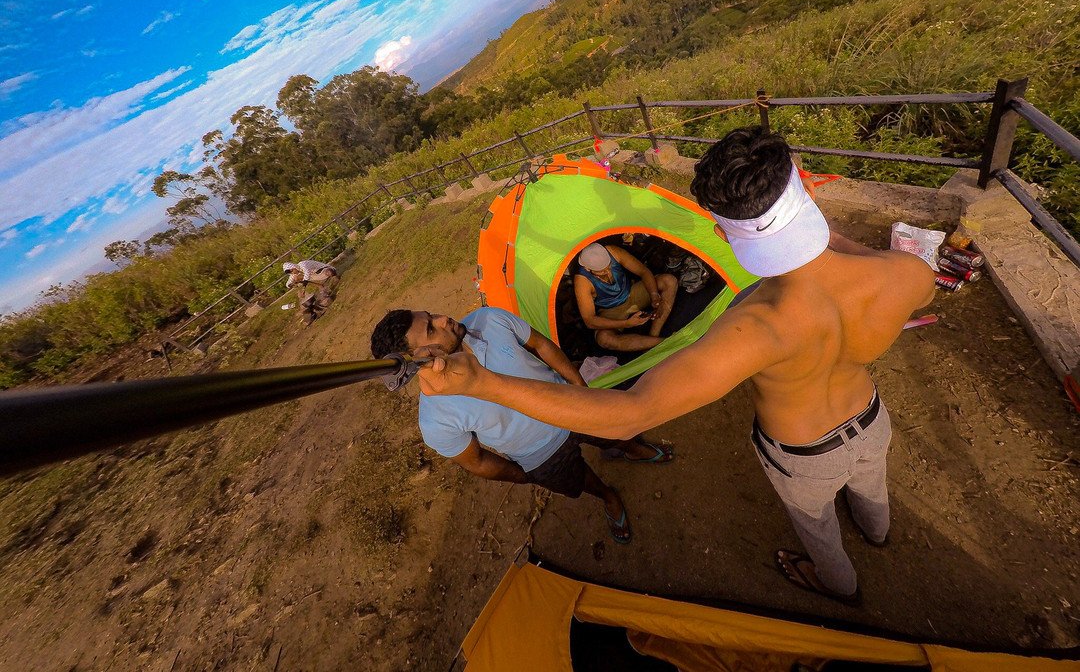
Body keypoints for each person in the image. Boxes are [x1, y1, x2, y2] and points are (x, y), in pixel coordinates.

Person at [418, 126, 935, 603]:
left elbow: (628, 415)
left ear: (724, 228)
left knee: (819, 528)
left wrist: (485, 382)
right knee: (873, 485)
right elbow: (846, 256)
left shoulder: (753, 330)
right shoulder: (904, 274)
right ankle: (878, 531)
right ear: (800, 187)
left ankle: (838, 584)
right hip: (871, 419)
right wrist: (812, 230)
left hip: (806, 455)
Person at [370, 306, 675, 544]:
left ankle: (631, 448)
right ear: (418, 359)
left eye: (430, 314)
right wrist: (523, 474)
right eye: (430, 327)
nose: (443, 318)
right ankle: (608, 496)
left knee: (615, 430)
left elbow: (541, 345)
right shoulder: (436, 418)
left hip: (573, 405)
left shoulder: (488, 319)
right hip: (540, 455)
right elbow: (475, 461)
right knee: (579, 479)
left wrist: (580, 387)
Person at [574, 242, 678, 352]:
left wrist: (654, 295)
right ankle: (664, 342)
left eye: (609, 266)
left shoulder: (613, 252)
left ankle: (653, 338)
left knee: (669, 281)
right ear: (588, 269)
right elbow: (589, 321)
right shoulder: (582, 281)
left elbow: (643, 271)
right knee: (604, 339)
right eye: (602, 272)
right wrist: (626, 324)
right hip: (610, 311)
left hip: (631, 293)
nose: (608, 272)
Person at [284, 259, 339, 325]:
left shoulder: (302, 264)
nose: (292, 273)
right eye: (291, 272)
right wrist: (292, 286)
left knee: (329, 272)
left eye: (292, 270)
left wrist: (303, 289)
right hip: (315, 276)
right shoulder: (295, 273)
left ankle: (335, 276)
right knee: (296, 278)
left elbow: (307, 274)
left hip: (322, 271)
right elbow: (288, 284)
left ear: (294, 267)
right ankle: (320, 286)